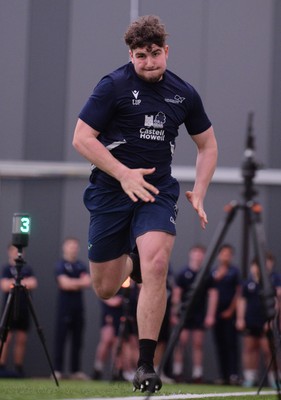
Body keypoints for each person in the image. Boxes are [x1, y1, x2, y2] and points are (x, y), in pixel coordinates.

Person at [72, 14, 218, 393]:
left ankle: (145, 365)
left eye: (155, 54)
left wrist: (200, 190)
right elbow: (82, 138)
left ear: (166, 51)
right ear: (130, 55)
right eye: (141, 56)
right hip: (111, 189)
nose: (149, 62)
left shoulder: (183, 93)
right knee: (105, 288)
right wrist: (123, 173)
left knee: (156, 264)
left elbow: (208, 145)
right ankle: (130, 261)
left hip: (157, 190)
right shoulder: (113, 86)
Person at [171, 244, 218, 383]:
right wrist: (175, 313)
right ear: (191, 255)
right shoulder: (182, 273)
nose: (198, 256)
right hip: (184, 313)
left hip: (200, 313)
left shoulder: (207, 274)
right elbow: (176, 295)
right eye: (195, 253)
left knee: (198, 343)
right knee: (181, 342)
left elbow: (213, 295)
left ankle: (198, 374)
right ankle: (177, 372)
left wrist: (210, 315)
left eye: (200, 253)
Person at [236, 258, 279, 388]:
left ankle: (275, 379)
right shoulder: (247, 283)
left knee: (268, 350)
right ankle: (250, 378)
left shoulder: (272, 281)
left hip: (265, 321)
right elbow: (242, 301)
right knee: (249, 348)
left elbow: (276, 302)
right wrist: (240, 318)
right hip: (251, 321)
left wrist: (272, 320)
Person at [53, 237, 91, 380]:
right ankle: (57, 370)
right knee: (61, 339)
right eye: (70, 246)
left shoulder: (81, 265)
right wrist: (78, 282)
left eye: (75, 246)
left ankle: (76, 370)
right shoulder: (60, 265)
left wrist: (73, 282)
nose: (73, 248)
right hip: (64, 307)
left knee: (77, 340)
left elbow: (88, 282)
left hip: (78, 308)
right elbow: (64, 284)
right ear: (65, 247)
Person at [0, 244, 38, 377]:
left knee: (21, 339)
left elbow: (33, 283)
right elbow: (5, 285)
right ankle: (2, 366)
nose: (17, 253)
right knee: (5, 338)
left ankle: (18, 369)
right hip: (9, 307)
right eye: (14, 251)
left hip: (24, 307)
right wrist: (22, 284)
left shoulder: (27, 269)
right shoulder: (6, 269)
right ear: (9, 252)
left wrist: (16, 284)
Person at [211, 244, 241, 385]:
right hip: (216, 314)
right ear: (219, 255)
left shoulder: (234, 272)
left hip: (230, 314)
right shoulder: (213, 272)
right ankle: (223, 375)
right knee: (220, 344)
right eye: (223, 253)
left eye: (228, 254)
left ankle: (233, 374)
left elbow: (238, 292)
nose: (225, 256)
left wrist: (231, 310)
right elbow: (210, 291)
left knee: (231, 344)